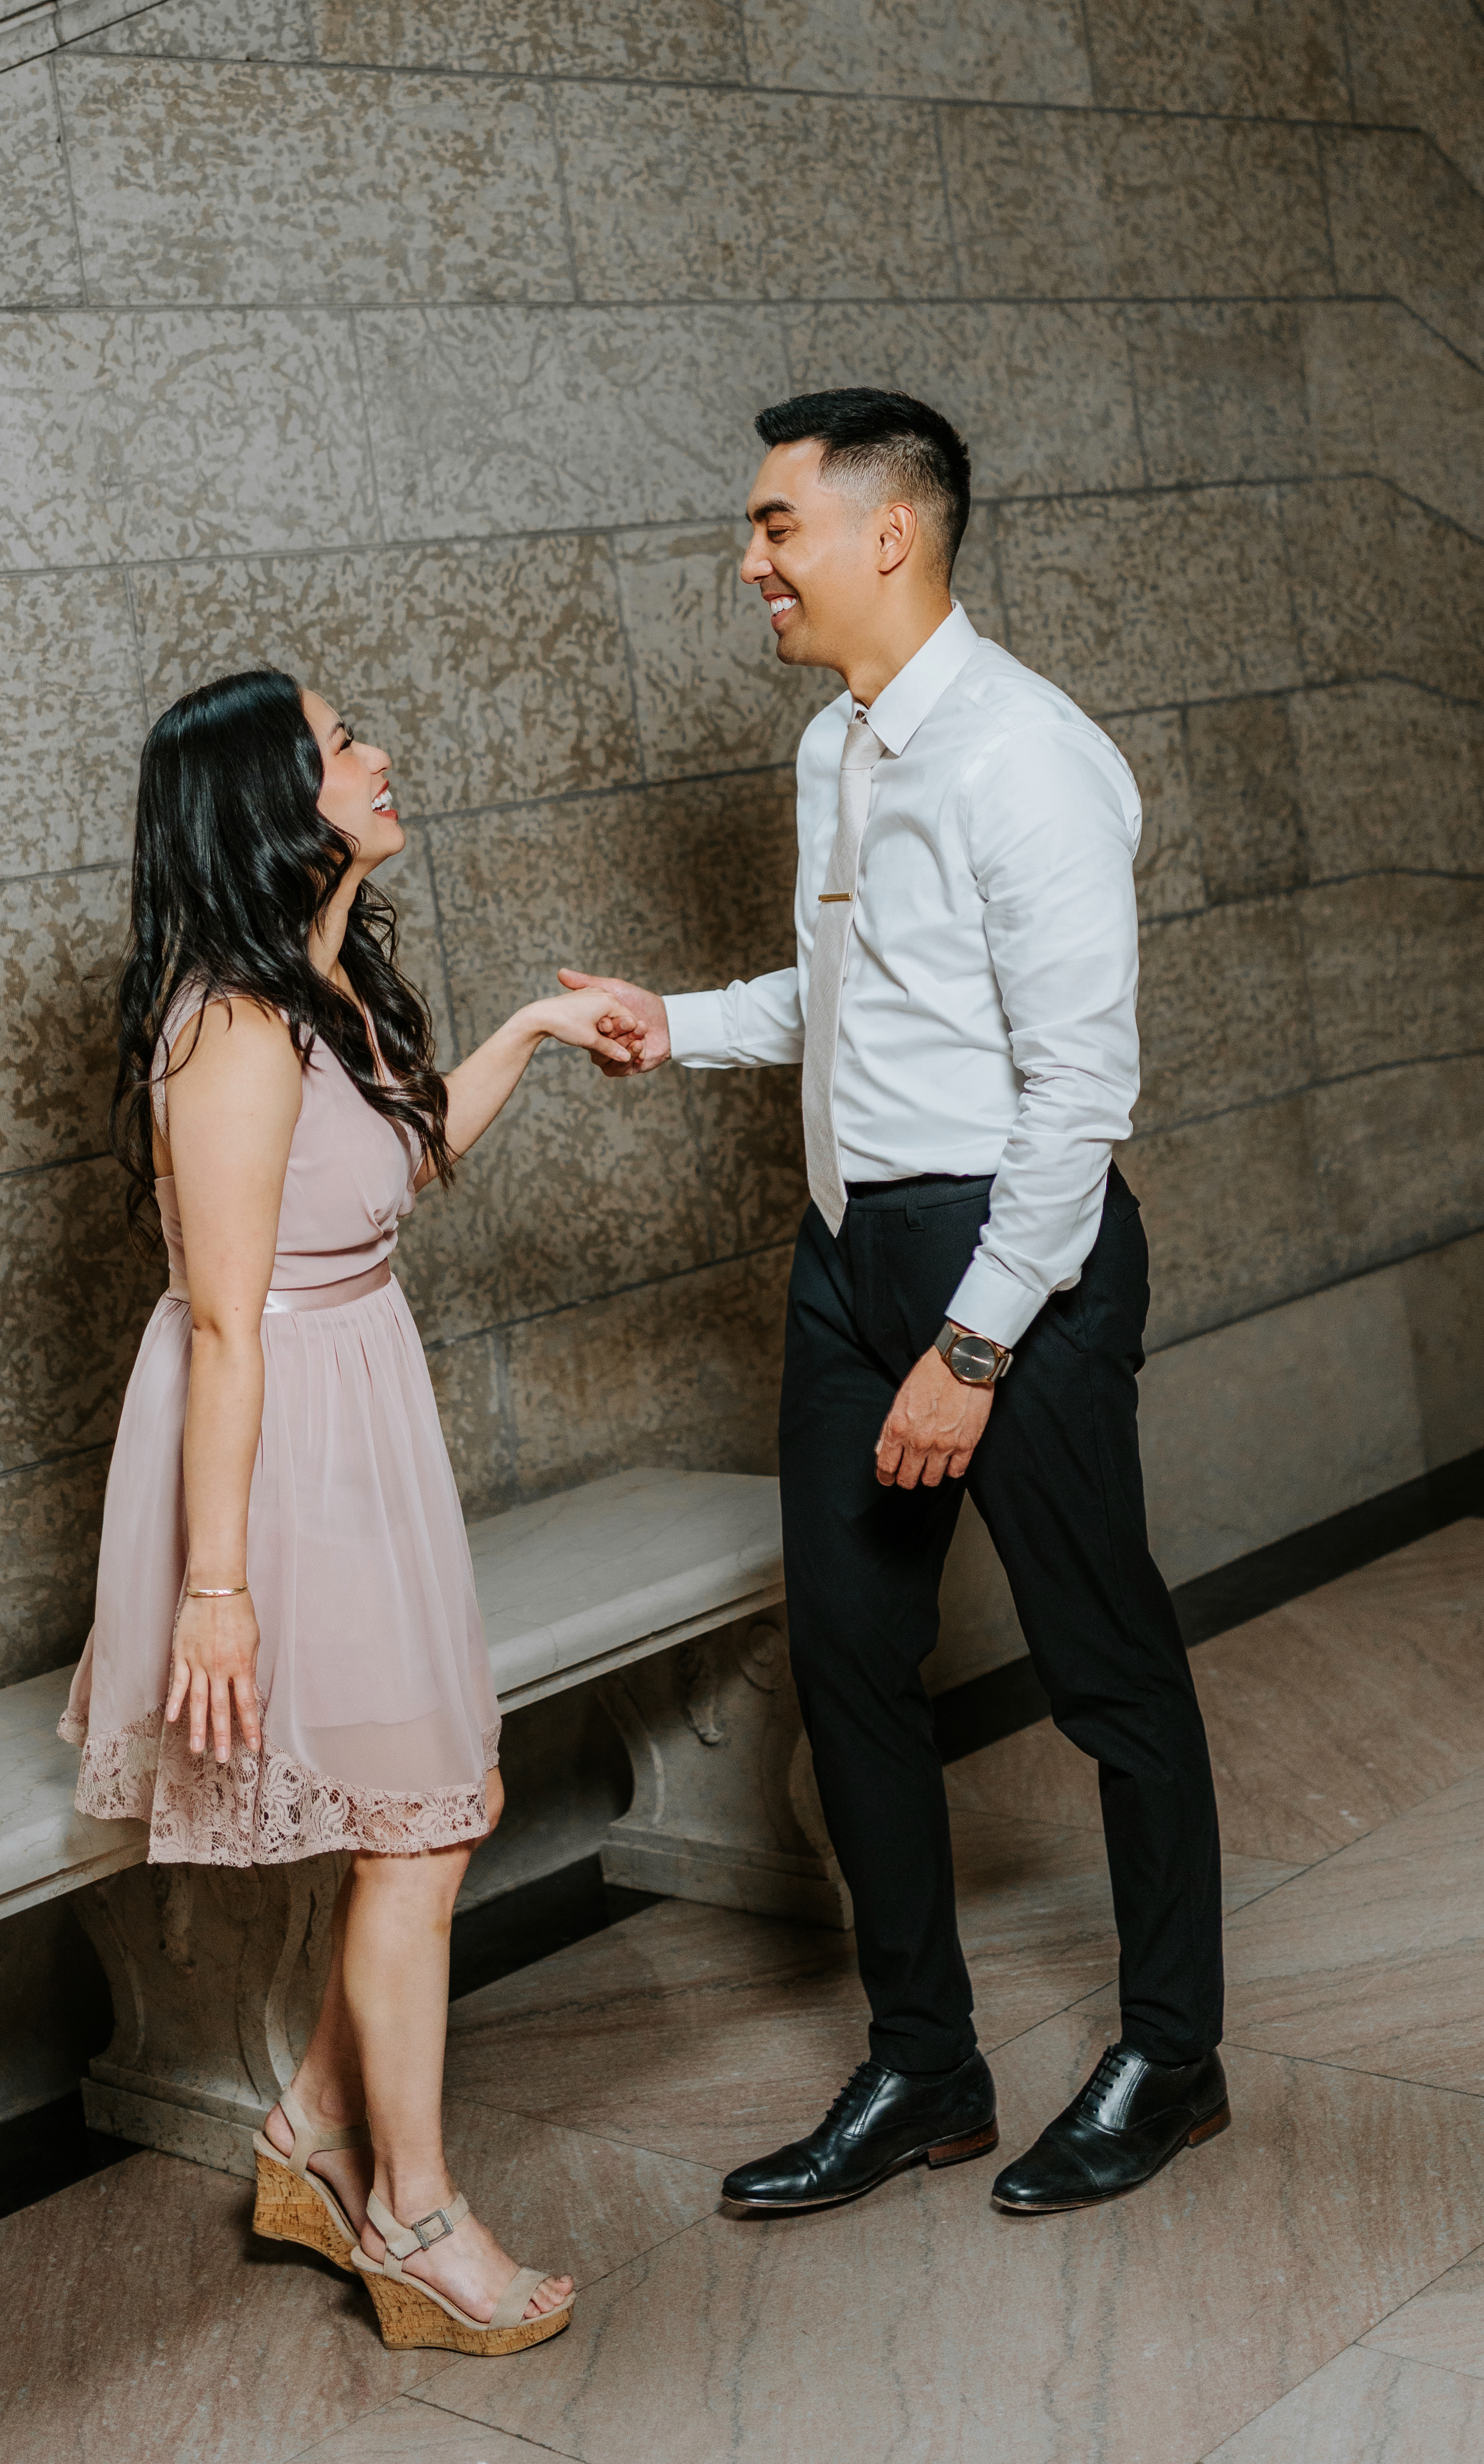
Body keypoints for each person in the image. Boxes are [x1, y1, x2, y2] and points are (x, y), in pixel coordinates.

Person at [561, 389, 1228, 2217]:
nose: (749, 559)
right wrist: (675, 1023)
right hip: (850, 1257)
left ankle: (1176, 2053)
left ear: (888, 535)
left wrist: (975, 1343)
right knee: (851, 1674)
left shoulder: (1026, 759)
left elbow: (1078, 1102)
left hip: (1025, 1261)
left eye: (776, 525)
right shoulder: (833, 748)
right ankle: (926, 2065)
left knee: (1111, 1675)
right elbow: (850, 999)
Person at [62, 667, 637, 2351]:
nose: (378, 753)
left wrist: (529, 1027)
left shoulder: (321, 988)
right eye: (337, 747)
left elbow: (401, 1163)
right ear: (270, 808)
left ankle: (315, 2131)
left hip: (356, 1412)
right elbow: (230, 1319)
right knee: (430, 1819)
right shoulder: (231, 1028)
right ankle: (411, 2211)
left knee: (435, 1801)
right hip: (279, 1448)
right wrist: (216, 1590)